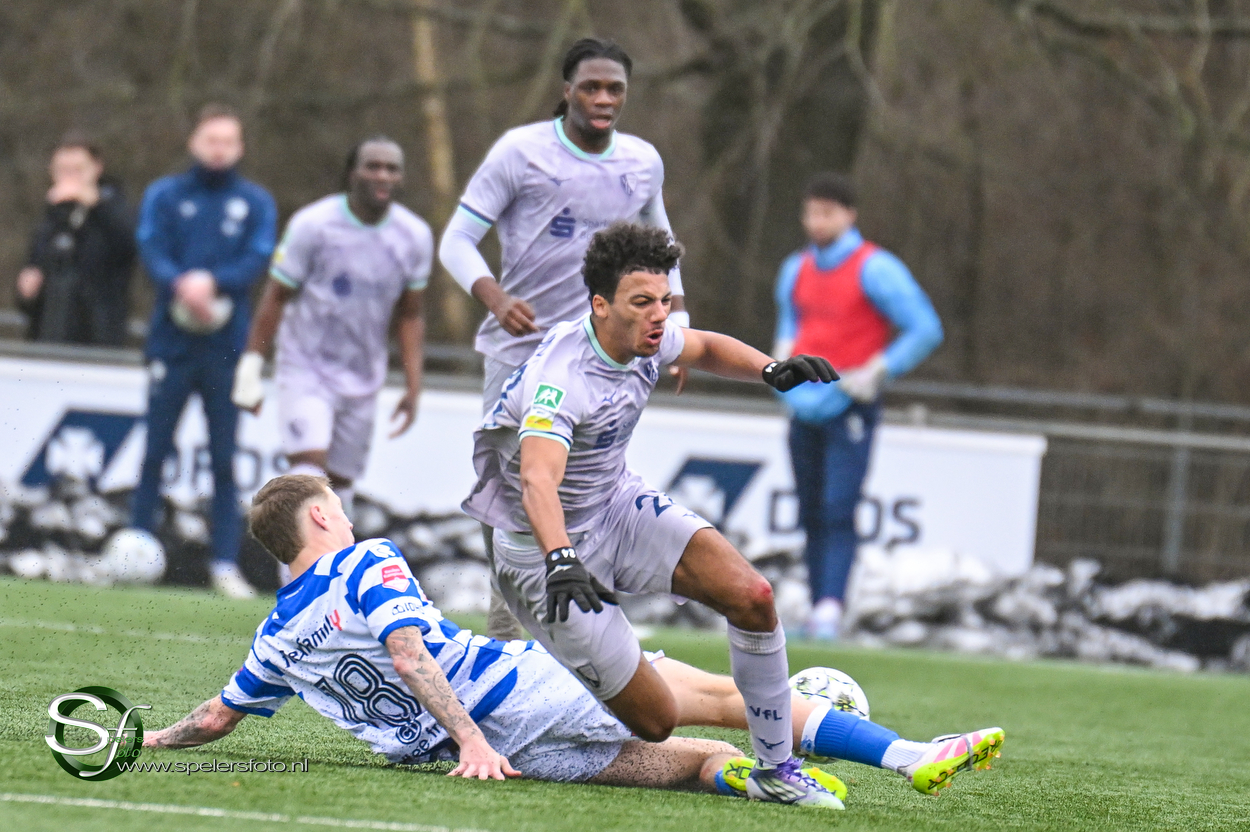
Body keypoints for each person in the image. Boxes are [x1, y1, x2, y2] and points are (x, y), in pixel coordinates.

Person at [143, 473, 1005, 805]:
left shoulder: (276, 638)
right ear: (321, 519)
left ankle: (768, 783)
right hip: (512, 700)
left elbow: (215, 719)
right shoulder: (364, 560)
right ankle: (909, 756)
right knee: (724, 696)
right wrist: (473, 739)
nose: (348, 515)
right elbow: (408, 654)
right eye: (338, 505)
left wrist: (142, 741)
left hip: (478, 752)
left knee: (692, 761)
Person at [461, 222, 847, 807]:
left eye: (665, 300)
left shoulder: (647, 333)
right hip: (543, 553)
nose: (660, 316)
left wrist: (772, 370)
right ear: (600, 305)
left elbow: (705, 347)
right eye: (642, 302)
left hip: (616, 505)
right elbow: (538, 479)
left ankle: (775, 770)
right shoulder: (560, 380)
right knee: (656, 719)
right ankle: (542, 707)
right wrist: (559, 557)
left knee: (753, 596)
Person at [438, 38, 689, 642]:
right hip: (520, 355)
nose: (603, 99)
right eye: (591, 87)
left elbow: (665, 249)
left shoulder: (641, 161)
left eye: (614, 89)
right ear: (567, 90)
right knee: (515, 491)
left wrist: (676, 323)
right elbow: (455, 241)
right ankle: (507, 629)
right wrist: (496, 299)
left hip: (598, 358)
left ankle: (583, 624)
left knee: (592, 485)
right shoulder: (521, 153)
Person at [772, 173, 944, 640]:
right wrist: (780, 365)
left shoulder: (876, 268)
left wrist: (879, 371)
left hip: (849, 405)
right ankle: (816, 605)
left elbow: (924, 328)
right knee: (810, 509)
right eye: (811, 212)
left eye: (827, 212)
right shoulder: (795, 269)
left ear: (849, 215)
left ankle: (831, 607)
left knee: (837, 506)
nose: (817, 222)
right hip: (802, 406)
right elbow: (789, 326)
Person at [230, 136, 432, 523]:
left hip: (362, 375)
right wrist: (251, 365)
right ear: (352, 173)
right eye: (373, 166)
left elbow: (410, 314)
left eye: (392, 168)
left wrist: (413, 384)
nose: (382, 175)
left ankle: (333, 560)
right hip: (305, 366)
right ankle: (297, 562)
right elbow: (276, 296)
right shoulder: (313, 225)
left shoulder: (414, 236)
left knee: (340, 486)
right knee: (309, 472)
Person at [131, 104, 278, 599]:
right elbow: (151, 248)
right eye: (211, 140)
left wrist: (212, 282)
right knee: (154, 451)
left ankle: (224, 563)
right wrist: (180, 283)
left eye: (228, 141)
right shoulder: (165, 194)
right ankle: (136, 551)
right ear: (194, 141)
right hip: (170, 345)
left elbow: (258, 258)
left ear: (240, 147)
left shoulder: (255, 202)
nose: (219, 149)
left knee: (223, 459)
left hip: (226, 349)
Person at [17, 133, 136, 345]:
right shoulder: (48, 220)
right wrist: (26, 291)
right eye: (63, 170)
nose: (70, 177)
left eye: (78, 170)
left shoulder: (116, 213)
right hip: (46, 339)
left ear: (97, 168)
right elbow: (32, 279)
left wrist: (97, 206)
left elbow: (130, 249)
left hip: (97, 342)